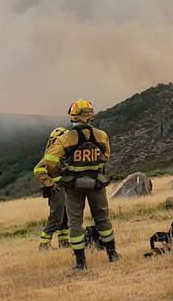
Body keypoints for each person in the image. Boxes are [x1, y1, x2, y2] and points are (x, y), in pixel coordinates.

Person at [41, 100, 117, 269]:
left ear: (73, 115)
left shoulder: (65, 139)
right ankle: (112, 255)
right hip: (96, 184)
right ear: (90, 115)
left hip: (73, 186)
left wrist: (59, 177)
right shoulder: (102, 135)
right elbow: (106, 155)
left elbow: (50, 161)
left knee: (75, 223)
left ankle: (81, 263)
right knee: (103, 218)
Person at [33, 127, 70, 250]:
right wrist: (49, 184)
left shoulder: (63, 153)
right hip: (57, 190)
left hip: (65, 188)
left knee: (65, 217)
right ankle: (44, 245)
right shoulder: (52, 154)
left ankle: (64, 242)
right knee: (56, 217)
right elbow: (38, 169)